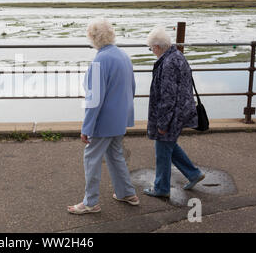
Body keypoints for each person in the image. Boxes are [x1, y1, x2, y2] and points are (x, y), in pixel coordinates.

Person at [67, 19, 139, 214]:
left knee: (91, 158)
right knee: (115, 156)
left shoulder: (100, 60)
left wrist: (86, 128)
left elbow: (94, 99)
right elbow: (132, 88)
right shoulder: (123, 55)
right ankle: (126, 193)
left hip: (104, 121)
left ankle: (90, 202)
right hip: (120, 118)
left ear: (92, 37)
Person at [143, 27, 205, 198]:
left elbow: (168, 97)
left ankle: (161, 188)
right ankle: (193, 173)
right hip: (181, 111)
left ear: (157, 46)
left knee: (162, 150)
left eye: (151, 48)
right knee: (168, 145)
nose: (152, 52)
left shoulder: (168, 63)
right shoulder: (177, 56)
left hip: (173, 115)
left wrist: (163, 124)